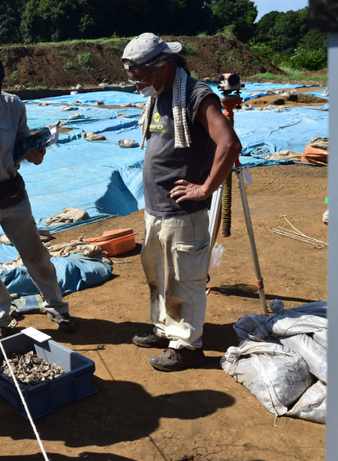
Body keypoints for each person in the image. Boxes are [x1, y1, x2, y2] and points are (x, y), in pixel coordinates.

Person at [121, 33, 241, 372]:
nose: (137, 84)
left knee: (184, 278)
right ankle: (165, 330)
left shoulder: (195, 95)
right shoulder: (160, 94)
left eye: (140, 76)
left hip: (182, 212)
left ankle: (187, 346)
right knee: (159, 275)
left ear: (164, 66)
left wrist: (204, 189)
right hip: (157, 209)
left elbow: (229, 144)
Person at [0, 52, 76, 342]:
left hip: (13, 193)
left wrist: (36, 153)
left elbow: (23, 142)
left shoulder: (12, 105)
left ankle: (57, 307)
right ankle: (0, 319)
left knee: (37, 255)